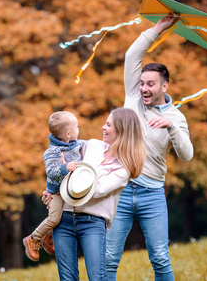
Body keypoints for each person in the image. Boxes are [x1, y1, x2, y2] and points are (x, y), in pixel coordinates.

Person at [105, 14, 194, 281]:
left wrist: (171, 127)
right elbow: (132, 56)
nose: (144, 88)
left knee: (159, 257)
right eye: (142, 83)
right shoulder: (132, 97)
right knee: (109, 257)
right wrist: (156, 30)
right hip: (120, 189)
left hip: (152, 194)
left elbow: (187, 155)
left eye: (150, 84)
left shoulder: (176, 118)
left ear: (164, 86)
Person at [42, 108, 146, 281]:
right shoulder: (92, 145)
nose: (103, 128)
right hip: (64, 218)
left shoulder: (123, 170)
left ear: (121, 130)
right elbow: (63, 164)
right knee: (67, 278)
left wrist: (67, 181)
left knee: (97, 277)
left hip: (92, 222)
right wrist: (52, 193)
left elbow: (93, 191)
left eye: (108, 125)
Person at [23, 111, 86, 262]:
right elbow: (51, 173)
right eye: (77, 128)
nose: (79, 130)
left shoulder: (77, 144)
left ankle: (48, 238)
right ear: (68, 133)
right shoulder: (51, 152)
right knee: (55, 218)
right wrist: (65, 167)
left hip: (71, 190)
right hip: (57, 193)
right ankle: (33, 238)